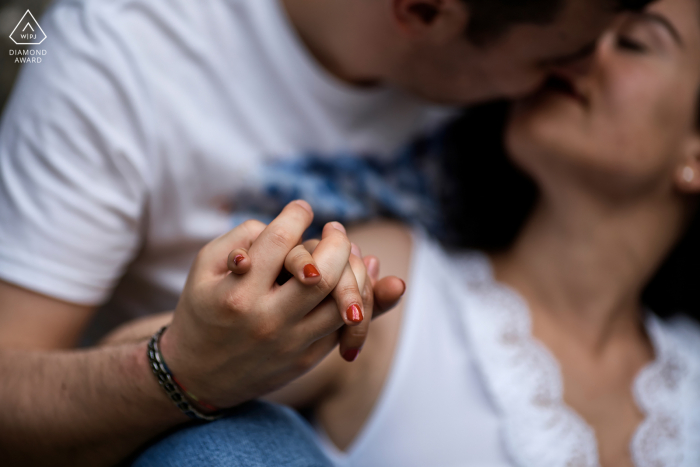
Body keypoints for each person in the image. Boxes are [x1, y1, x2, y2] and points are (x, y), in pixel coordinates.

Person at [0, 0, 653, 464]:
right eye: (555, 57)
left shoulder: (528, 106)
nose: (584, 71)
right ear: (424, 12)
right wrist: (183, 372)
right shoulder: (119, 62)